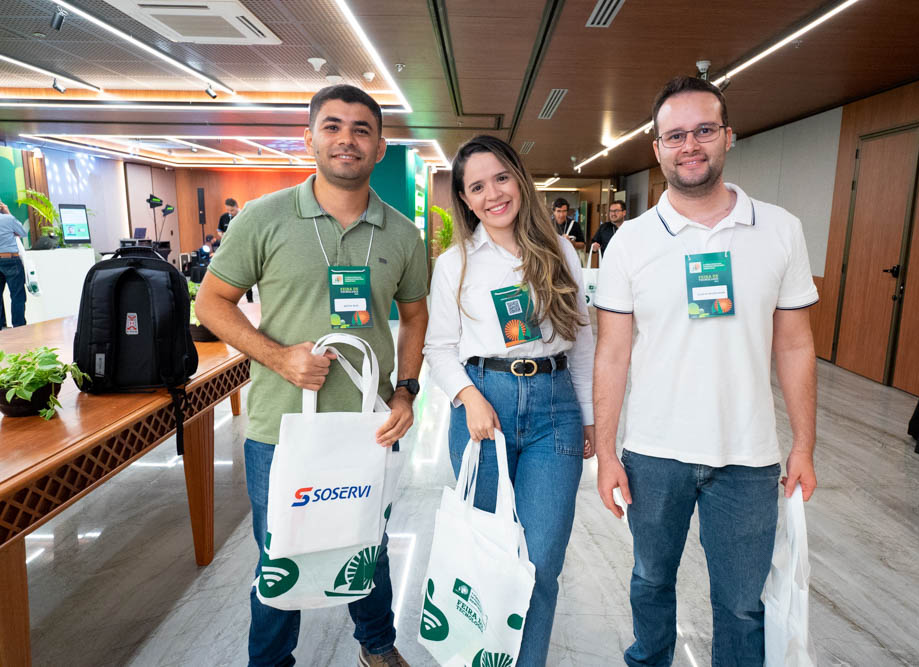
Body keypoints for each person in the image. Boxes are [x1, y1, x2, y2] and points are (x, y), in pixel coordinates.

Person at [194, 84, 429, 667]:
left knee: (365, 544)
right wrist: (279, 358)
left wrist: (406, 390)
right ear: (309, 138)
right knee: (280, 558)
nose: (346, 139)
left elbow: (416, 315)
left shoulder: (401, 233)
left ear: (379, 147)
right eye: (332, 126)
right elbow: (211, 303)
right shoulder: (263, 218)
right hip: (281, 430)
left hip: (368, 428)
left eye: (361, 129)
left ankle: (376, 646)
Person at [593, 76, 819, 666]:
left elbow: (794, 346)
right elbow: (612, 353)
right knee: (649, 581)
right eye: (675, 135)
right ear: (657, 147)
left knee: (743, 606)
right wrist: (609, 453)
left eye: (703, 130)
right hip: (653, 451)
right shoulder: (631, 242)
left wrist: (805, 447)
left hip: (748, 456)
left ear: (727, 137)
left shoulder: (780, 229)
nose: (690, 145)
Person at [423, 135, 595, 666]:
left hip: (554, 410)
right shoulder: (456, 264)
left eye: (501, 178)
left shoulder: (561, 250)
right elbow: (439, 348)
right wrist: (468, 396)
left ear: (519, 178)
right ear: (467, 201)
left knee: (541, 561)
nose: (493, 194)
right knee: (489, 556)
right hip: (484, 410)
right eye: (477, 186)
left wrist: (588, 419)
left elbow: (583, 340)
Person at [0, 198, 28, 329]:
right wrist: (8, 212)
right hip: (11, 259)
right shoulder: (8, 219)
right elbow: (22, 233)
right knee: (17, 295)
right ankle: (19, 327)